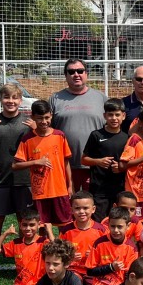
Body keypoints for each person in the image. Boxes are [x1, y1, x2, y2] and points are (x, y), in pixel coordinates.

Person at [0, 83, 35, 251]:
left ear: (20, 100)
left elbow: (36, 150)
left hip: (24, 179)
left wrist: (34, 132)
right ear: (0, 99)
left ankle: (25, 254)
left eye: (15, 97)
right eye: (7, 97)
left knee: (24, 220)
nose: (11, 101)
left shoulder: (28, 123)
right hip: (0, 178)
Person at [12, 100, 73, 239]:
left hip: (60, 189)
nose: (44, 121)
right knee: (42, 226)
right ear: (33, 117)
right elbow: (15, 165)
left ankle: (64, 253)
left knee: (65, 224)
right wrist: (36, 162)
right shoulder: (27, 139)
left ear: (51, 116)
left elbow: (66, 162)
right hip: (40, 192)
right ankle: (44, 254)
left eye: (47, 117)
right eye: (40, 118)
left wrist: (70, 185)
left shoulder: (59, 135)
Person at [50, 58, 108, 193]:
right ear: (65, 75)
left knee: (93, 207)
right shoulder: (55, 98)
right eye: (71, 71)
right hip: (66, 165)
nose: (76, 74)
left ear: (86, 73)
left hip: (95, 165)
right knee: (68, 207)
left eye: (80, 71)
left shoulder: (101, 98)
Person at [86, 207, 139, 285]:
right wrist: (110, 267)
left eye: (120, 227)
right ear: (108, 224)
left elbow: (130, 276)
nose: (115, 230)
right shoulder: (99, 243)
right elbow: (90, 270)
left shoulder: (131, 248)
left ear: (128, 226)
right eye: (112, 226)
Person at [82, 98, 129, 221]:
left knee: (118, 221)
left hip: (119, 188)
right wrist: (98, 161)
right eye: (110, 115)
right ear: (104, 116)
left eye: (117, 115)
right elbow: (84, 159)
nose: (114, 118)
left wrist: (120, 167)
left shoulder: (127, 138)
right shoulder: (96, 135)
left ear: (123, 116)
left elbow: (129, 162)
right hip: (99, 189)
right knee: (99, 221)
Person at [0, 210, 46, 285]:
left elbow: (58, 248)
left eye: (32, 225)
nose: (28, 228)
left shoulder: (43, 242)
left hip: (37, 284)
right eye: (24, 225)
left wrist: (49, 231)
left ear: (39, 225)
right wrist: (5, 234)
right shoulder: (16, 243)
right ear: (20, 225)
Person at [60, 191, 107, 280]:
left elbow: (108, 252)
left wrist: (94, 255)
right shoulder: (66, 230)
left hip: (94, 270)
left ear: (93, 209)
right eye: (77, 208)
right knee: (73, 283)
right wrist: (70, 256)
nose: (81, 211)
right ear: (72, 210)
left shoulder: (102, 230)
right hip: (73, 270)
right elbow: (59, 252)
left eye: (85, 208)